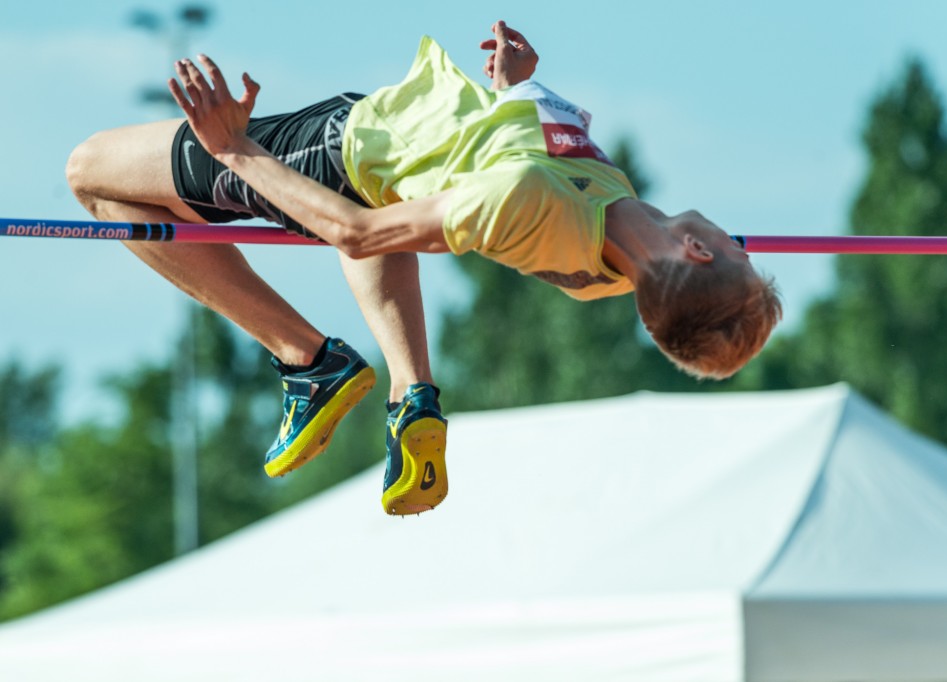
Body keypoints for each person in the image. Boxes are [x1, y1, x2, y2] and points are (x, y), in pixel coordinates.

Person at [65, 21, 782, 517]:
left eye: (741, 255)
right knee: (401, 203)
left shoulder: (527, 201)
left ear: (697, 251)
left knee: (93, 174)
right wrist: (517, 88)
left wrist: (234, 150)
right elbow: (520, 167)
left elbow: (358, 234)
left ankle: (306, 359)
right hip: (397, 171)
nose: (743, 244)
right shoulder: (618, 248)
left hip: (339, 151)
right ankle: (412, 397)